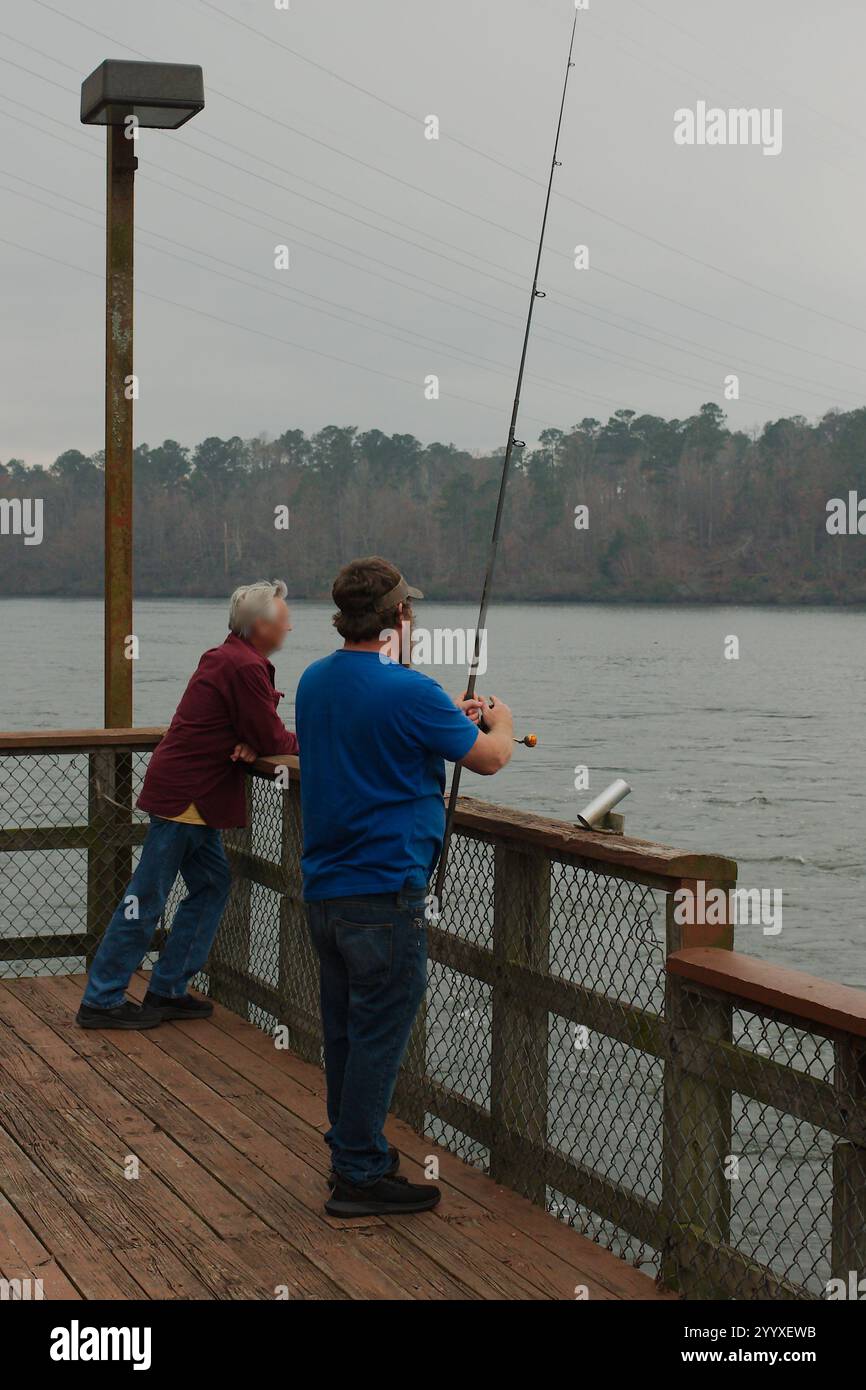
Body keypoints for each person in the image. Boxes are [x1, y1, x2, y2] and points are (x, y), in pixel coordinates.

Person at [295, 556, 514, 1217]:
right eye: (409, 612)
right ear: (398, 618)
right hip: (385, 895)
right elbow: (490, 758)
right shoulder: (409, 691)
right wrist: (498, 716)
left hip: (326, 891)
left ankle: (351, 1150)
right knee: (381, 1032)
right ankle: (360, 1172)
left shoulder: (314, 680)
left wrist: (444, 711)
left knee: (344, 1032)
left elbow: (372, 730)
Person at [77, 580, 299, 1030]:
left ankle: (167, 989)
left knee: (213, 884)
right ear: (260, 627)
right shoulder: (244, 668)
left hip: (191, 795)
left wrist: (250, 742)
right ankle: (101, 1000)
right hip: (188, 798)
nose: (290, 627)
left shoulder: (227, 657)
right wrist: (302, 741)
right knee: (146, 898)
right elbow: (273, 736)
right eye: (283, 619)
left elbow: (253, 731)